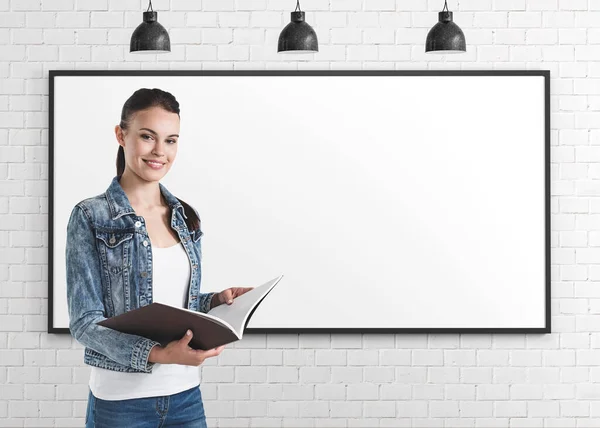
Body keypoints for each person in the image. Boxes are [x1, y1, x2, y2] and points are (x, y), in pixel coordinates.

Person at [65, 88, 253, 428]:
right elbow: (84, 323)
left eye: (171, 140)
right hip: (121, 404)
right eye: (147, 137)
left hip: (186, 398)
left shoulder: (185, 217)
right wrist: (158, 354)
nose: (159, 152)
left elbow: (176, 304)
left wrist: (214, 302)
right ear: (121, 135)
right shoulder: (90, 217)